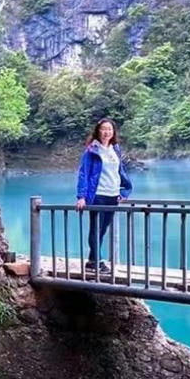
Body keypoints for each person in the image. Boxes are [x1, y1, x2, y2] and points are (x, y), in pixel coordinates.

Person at [76, 117, 132, 278]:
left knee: (103, 229)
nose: (106, 132)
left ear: (113, 132)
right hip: (98, 194)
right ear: (98, 131)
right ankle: (97, 261)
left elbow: (120, 172)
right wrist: (81, 196)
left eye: (109, 129)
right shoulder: (92, 150)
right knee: (96, 227)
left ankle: (92, 260)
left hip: (113, 195)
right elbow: (83, 173)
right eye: (103, 129)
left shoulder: (115, 149)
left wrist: (124, 191)